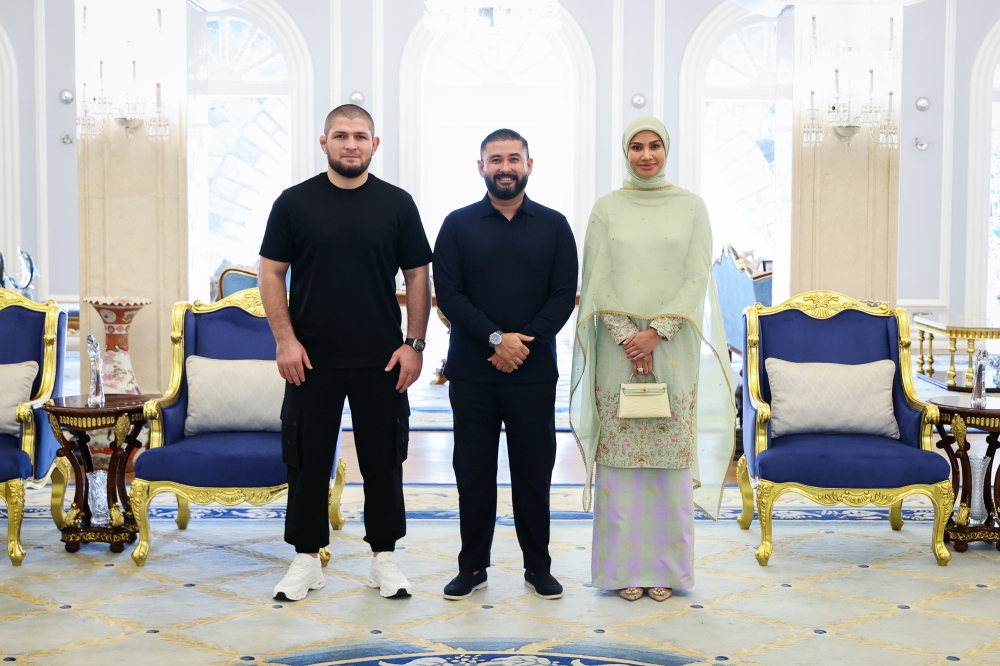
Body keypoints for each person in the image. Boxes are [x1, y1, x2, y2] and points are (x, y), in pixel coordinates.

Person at [259, 104, 432, 601]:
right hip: (310, 359)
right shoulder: (294, 203)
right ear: (324, 142)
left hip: (382, 358)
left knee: (383, 460)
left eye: (360, 136)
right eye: (341, 135)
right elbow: (271, 273)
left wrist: (414, 344)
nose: (350, 144)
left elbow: (418, 274)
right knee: (307, 461)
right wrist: (285, 341)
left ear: (375, 145)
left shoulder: (398, 205)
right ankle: (306, 560)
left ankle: (385, 559)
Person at [569, 116, 735, 602]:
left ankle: (668, 569)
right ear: (625, 152)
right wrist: (628, 337)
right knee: (620, 468)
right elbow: (596, 279)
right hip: (617, 351)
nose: (646, 155)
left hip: (673, 347)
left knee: (668, 465)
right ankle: (623, 571)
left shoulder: (691, 207)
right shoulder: (607, 208)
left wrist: (657, 332)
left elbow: (696, 275)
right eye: (637, 147)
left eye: (655, 146)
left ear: (667, 150)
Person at [433, 129, 578, 601]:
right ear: (481, 168)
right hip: (473, 373)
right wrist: (497, 339)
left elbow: (564, 296)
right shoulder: (456, 225)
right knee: (472, 473)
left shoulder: (555, 226)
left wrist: (521, 345)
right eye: (495, 159)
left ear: (529, 165)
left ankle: (538, 567)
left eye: (513, 158)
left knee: (533, 473)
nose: (505, 167)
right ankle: (472, 568)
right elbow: (449, 294)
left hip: (533, 373)